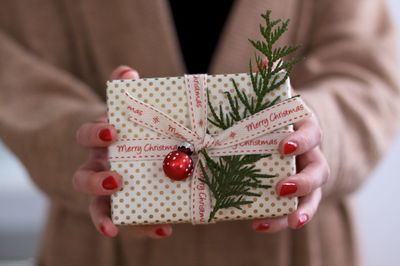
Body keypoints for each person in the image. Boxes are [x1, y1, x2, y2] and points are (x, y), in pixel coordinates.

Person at [0, 0, 399, 265]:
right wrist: (98, 141)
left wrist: (312, 131)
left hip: (291, 246)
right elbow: (13, 69)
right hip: (104, 247)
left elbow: (370, 73)